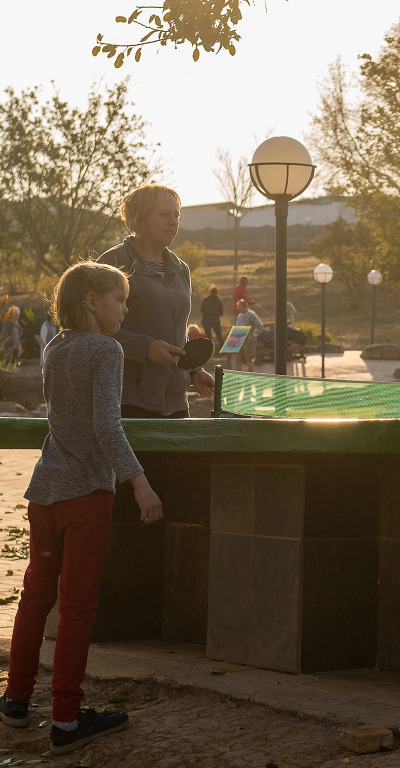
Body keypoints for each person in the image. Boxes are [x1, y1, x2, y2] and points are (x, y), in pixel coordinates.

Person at [0, 260, 162, 754]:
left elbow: (64, 418)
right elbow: (106, 425)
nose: (125, 309)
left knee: (35, 597)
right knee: (76, 607)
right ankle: (67, 720)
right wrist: (140, 483)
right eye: (120, 299)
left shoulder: (55, 346)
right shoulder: (106, 349)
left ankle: (15, 701)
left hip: (44, 491)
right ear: (92, 300)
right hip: (86, 494)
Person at [97, 183, 215, 417]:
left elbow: (177, 331)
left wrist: (193, 371)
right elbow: (93, 330)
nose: (173, 222)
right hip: (128, 402)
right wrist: (145, 347)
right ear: (140, 217)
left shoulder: (181, 269)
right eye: (164, 214)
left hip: (177, 404)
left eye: (176, 216)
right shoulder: (112, 263)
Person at [234, 299, 263, 373]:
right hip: (239, 340)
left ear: (245, 306)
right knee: (238, 358)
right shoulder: (239, 316)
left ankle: (250, 373)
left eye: (240, 307)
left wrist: (253, 336)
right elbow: (237, 327)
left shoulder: (251, 315)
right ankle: (238, 375)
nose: (238, 309)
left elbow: (260, 326)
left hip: (248, 340)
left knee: (249, 358)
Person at [199, 285, 224, 351]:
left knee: (208, 337)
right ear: (217, 292)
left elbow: (201, 309)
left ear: (210, 292)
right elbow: (221, 313)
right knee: (219, 336)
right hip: (215, 319)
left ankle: (208, 351)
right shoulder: (219, 301)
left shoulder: (205, 299)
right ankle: (224, 351)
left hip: (206, 319)